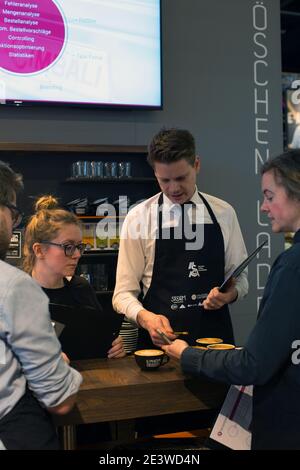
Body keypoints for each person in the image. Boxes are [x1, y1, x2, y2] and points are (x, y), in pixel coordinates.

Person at [163, 150, 300, 450]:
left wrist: (187, 355)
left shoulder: (292, 266)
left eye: (269, 196)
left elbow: (255, 364)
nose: (264, 207)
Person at [113, 128, 248, 348]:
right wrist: (146, 319)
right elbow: (122, 294)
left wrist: (230, 294)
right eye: (164, 180)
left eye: (181, 178)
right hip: (161, 344)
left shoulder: (224, 213)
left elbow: (241, 279)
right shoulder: (139, 218)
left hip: (215, 344)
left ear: (196, 165)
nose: (174, 188)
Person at [0, 161, 82, 450]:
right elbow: (60, 399)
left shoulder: (80, 289)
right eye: (12, 212)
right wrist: (61, 367)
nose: (12, 223)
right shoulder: (15, 287)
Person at [23, 195, 125, 360]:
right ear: (39, 250)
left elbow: (99, 340)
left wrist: (114, 347)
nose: (77, 254)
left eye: (79, 246)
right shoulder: (14, 295)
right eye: (68, 247)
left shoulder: (80, 288)